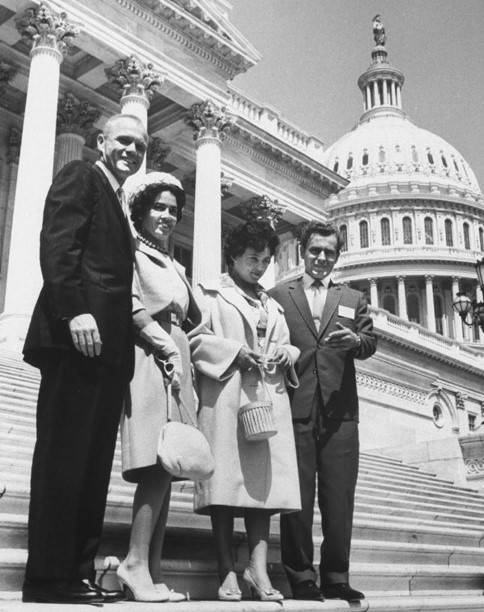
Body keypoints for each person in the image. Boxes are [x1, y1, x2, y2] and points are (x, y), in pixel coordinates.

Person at [22, 114, 148, 604]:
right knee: (63, 462)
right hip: (76, 342)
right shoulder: (81, 176)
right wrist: (74, 310)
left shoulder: (116, 196)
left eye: (139, 145)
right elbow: (58, 248)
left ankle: (75, 572)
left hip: (107, 354)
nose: (130, 150)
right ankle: (48, 578)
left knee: (92, 468)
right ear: (100, 141)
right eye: (122, 140)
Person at [190, 221, 301, 602]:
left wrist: (289, 353)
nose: (259, 267)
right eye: (253, 258)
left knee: (263, 489)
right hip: (225, 394)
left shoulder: (272, 303)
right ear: (234, 255)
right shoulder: (210, 294)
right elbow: (195, 340)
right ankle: (226, 571)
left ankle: (257, 569)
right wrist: (234, 352)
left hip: (266, 399)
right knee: (224, 487)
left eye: (266, 260)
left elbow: (287, 344)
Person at [269, 221, 377, 603]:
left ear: (337, 255)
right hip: (296, 407)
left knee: (338, 497)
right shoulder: (279, 294)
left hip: (340, 413)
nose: (321, 258)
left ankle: (336, 576)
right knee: (296, 498)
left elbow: (370, 342)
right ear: (303, 250)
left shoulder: (353, 297)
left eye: (329, 252)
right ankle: (301, 577)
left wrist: (356, 340)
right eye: (315, 250)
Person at [117, 172, 201, 602]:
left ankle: (151, 568)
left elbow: (193, 315)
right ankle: (134, 562)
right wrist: (165, 344)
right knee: (154, 461)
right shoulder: (131, 250)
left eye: (173, 209)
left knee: (168, 464)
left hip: (177, 356)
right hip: (149, 354)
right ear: (141, 210)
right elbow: (129, 303)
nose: (167, 216)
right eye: (159, 207)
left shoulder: (173, 262)